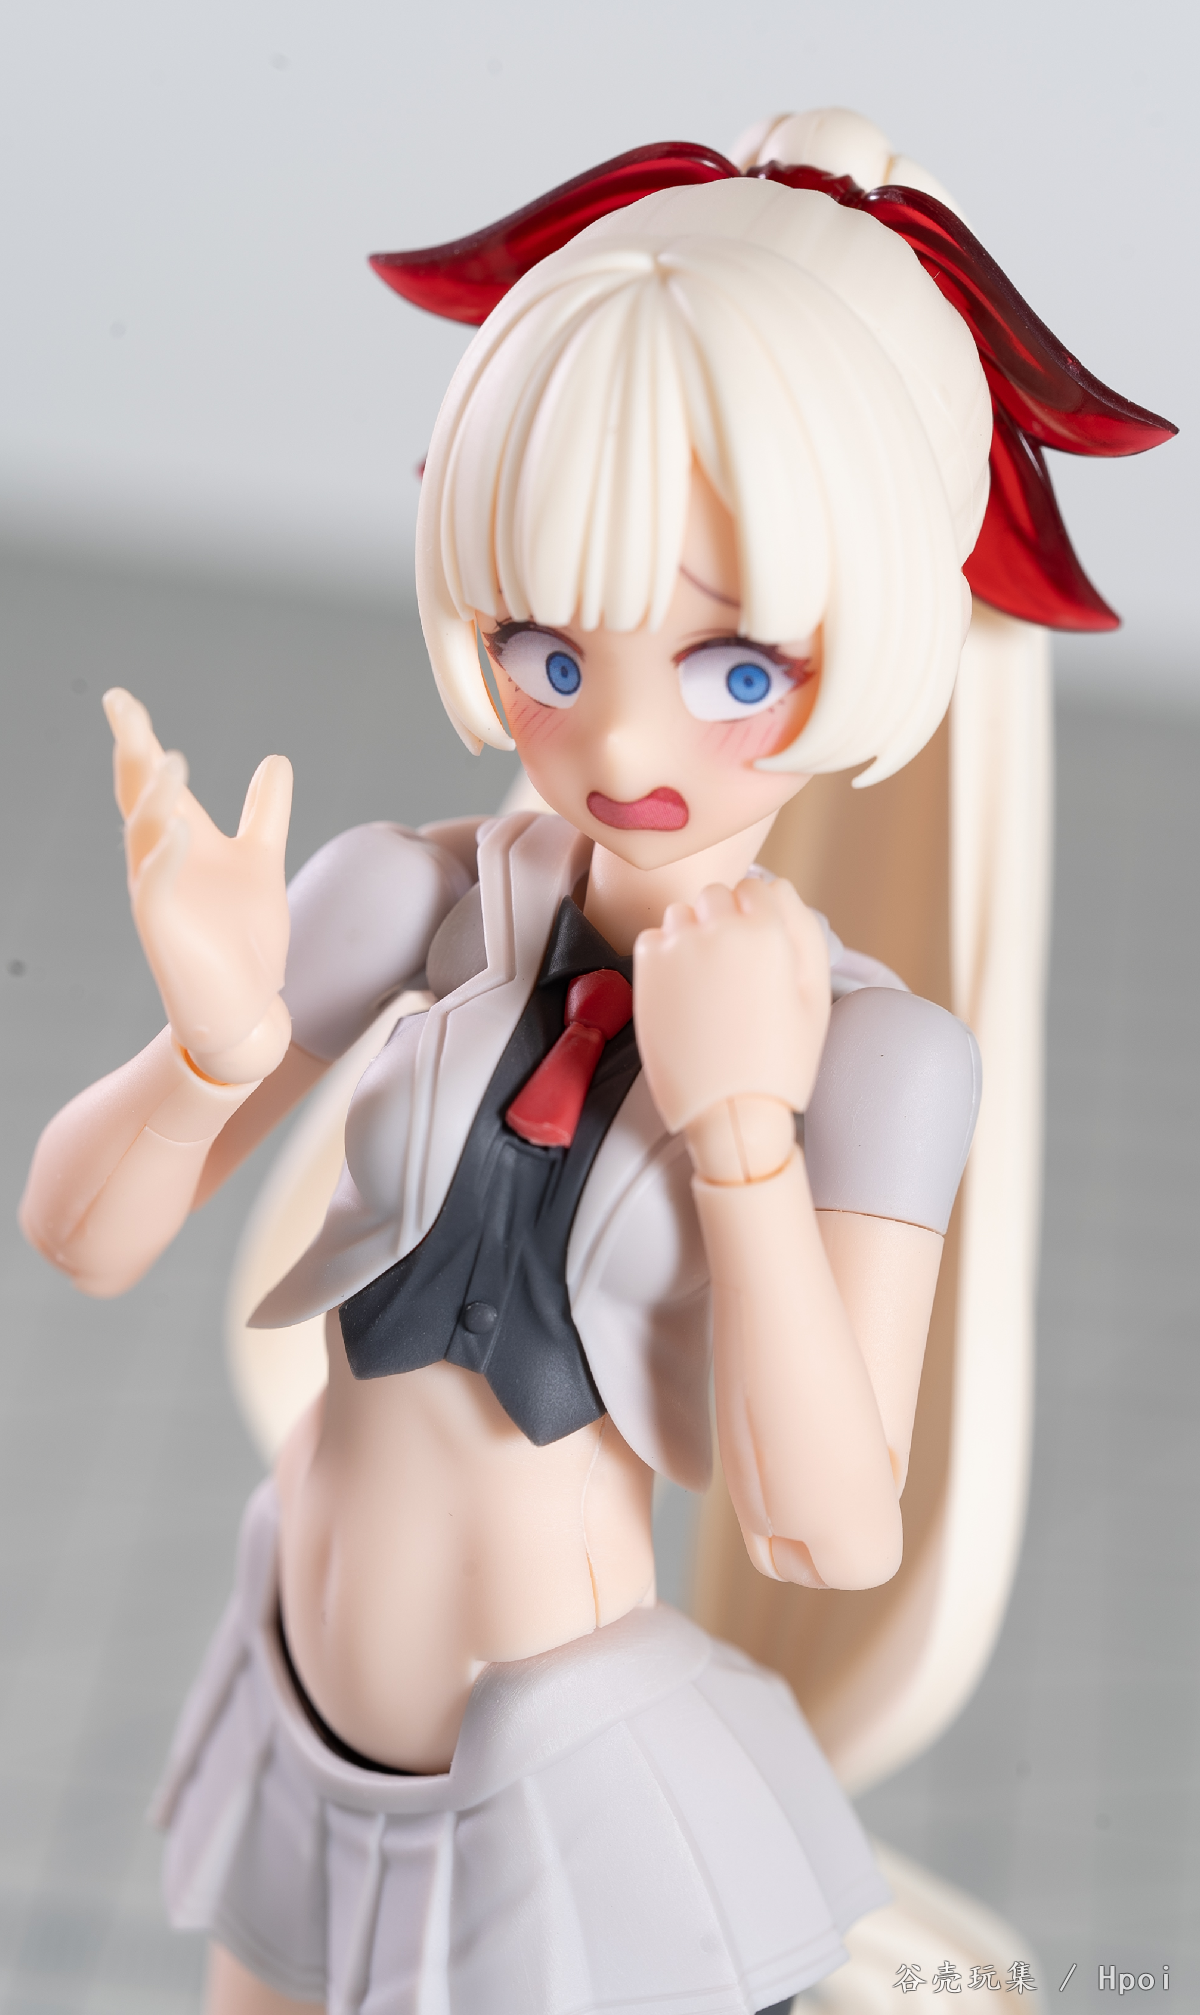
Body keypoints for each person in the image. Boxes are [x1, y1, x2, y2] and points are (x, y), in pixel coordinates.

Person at [19, 110, 1172, 2015]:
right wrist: (209, 1054)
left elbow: (824, 1522)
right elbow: (81, 1235)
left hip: (553, 1792)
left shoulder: (875, 1058)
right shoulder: (405, 899)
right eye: (551, 651)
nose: (622, 740)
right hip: (297, 1691)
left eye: (736, 671)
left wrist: (740, 1135)